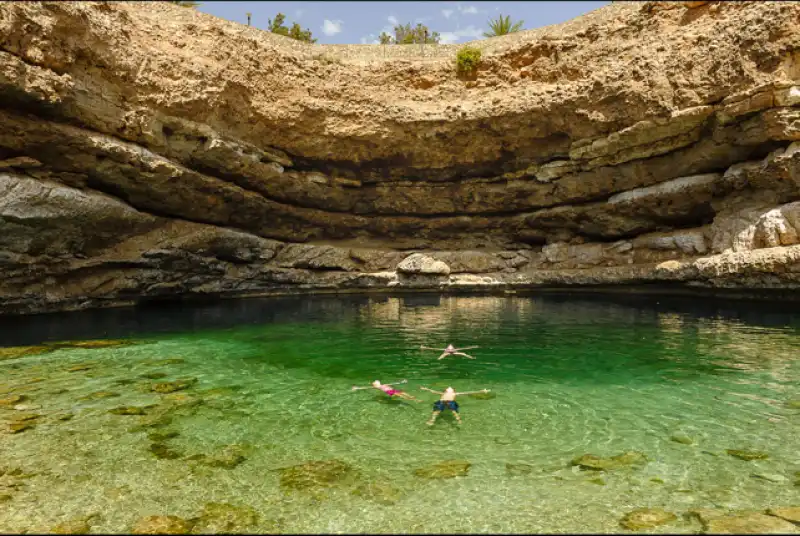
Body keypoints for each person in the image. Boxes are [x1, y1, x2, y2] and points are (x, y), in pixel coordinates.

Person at [419, 386, 490, 425]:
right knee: (436, 412)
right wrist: (425, 388)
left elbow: (468, 392)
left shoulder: (454, 394)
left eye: (451, 388)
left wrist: (481, 391)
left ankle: (458, 420)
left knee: (454, 411)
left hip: (450, 402)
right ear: (446, 391)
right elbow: (433, 391)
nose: (449, 387)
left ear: (453, 391)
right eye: (448, 388)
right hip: (442, 401)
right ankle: (432, 420)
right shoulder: (442, 393)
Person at [351, 380, 420, 402]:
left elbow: (394, 383)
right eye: (374, 384)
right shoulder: (378, 387)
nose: (374, 385)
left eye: (374, 384)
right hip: (390, 392)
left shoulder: (383, 385)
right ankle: (413, 399)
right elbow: (366, 388)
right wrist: (357, 388)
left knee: (403, 392)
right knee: (401, 395)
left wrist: (402, 382)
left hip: (392, 390)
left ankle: (413, 398)